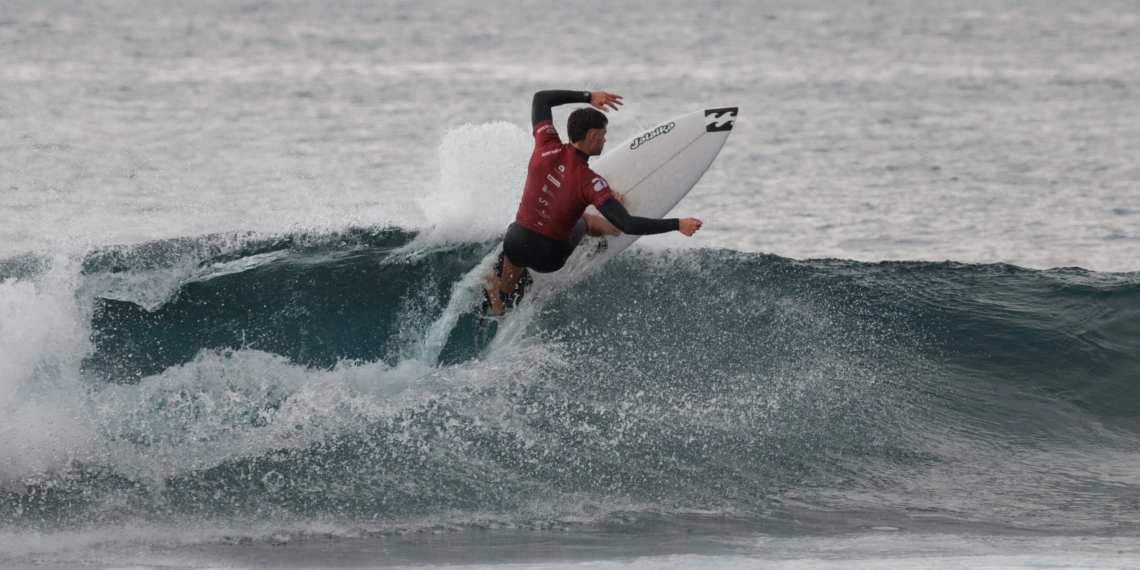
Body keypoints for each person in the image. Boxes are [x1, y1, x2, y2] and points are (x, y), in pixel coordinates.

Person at [485, 89, 704, 316]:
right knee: (587, 220)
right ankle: (609, 228)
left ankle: (502, 296)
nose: (605, 138)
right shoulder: (591, 182)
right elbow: (629, 224)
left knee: (519, 236)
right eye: (603, 133)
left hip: (516, 243)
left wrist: (589, 97)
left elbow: (541, 98)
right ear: (592, 136)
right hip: (550, 258)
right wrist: (677, 224)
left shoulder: (545, 145)